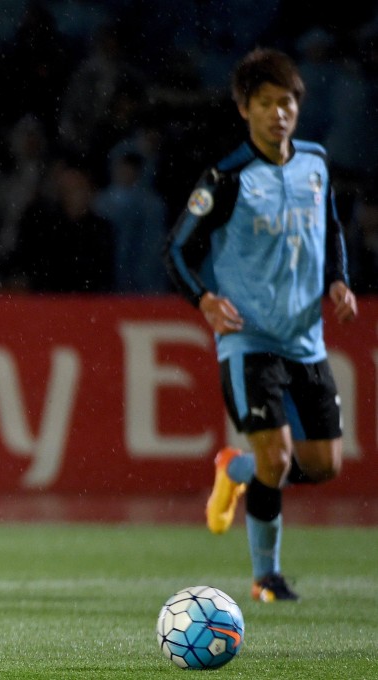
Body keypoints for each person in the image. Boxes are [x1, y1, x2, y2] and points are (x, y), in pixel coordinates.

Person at [164, 48, 358, 603]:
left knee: (323, 466)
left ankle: (238, 467)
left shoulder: (316, 163)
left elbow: (331, 229)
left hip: (306, 339)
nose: (279, 113)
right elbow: (176, 250)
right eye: (267, 103)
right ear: (245, 109)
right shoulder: (226, 179)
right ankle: (266, 576)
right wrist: (203, 301)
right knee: (279, 457)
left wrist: (338, 280)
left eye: (287, 102)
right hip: (248, 339)